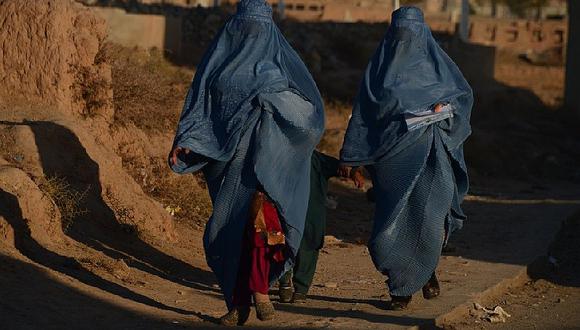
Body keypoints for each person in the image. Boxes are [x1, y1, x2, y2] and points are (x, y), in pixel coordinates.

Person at [168, 0, 324, 325]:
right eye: (246, 27)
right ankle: (237, 305)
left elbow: (310, 115)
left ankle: (261, 292)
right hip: (228, 170)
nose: (251, 35)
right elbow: (201, 105)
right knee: (230, 234)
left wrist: (272, 99)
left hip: (270, 171)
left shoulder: (283, 66)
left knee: (263, 231)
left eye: (258, 28)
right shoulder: (218, 63)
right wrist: (186, 143)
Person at [339, 6, 473, 310]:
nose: (405, 40)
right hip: (390, 159)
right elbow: (363, 114)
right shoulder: (378, 71)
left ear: (423, 34)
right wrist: (351, 155)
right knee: (391, 224)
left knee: (428, 218)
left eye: (411, 34)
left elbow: (462, 100)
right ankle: (416, 274)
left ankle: (402, 290)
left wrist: (443, 110)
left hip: (432, 152)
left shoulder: (440, 68)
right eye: (399, 34)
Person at [277, 151, 364, 303]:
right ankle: (284, 281)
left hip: (310, 213)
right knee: (282, 244)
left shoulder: (315, 159)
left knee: (308, 247)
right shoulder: (278, 154)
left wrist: (355, 171)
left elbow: (341, 167)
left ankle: (301, 289)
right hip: (284, 212)